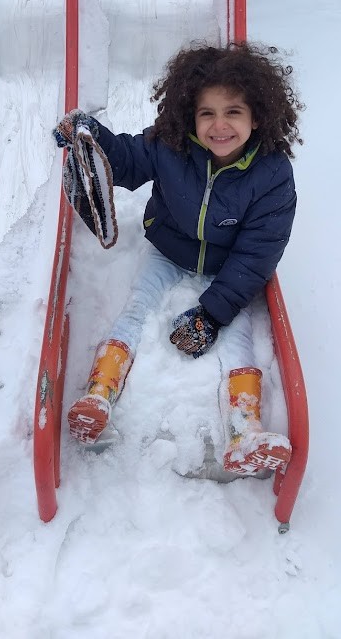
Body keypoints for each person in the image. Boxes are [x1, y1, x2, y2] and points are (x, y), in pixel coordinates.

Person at [54, 41, 303, 476]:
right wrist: (88, 133)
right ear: (190, 114)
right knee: (136, 308)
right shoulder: (171, 145)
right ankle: (99, 393)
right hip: (169, 250)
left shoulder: (272, 175)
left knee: (237, 334)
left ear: (257, 116)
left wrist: (213, 313)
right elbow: (128, 160)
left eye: (233, 113)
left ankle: (245, 431)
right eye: (207, 113)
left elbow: (256, 254)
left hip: (229, 267)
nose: (219, 126)